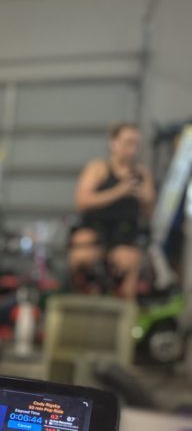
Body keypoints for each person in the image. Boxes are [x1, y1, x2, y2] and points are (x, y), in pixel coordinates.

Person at [68, 122, 155, 299]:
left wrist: (146, 198)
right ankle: (82, 302)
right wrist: (118, 191)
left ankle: (125, 315)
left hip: (124, 233)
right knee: (81, 254)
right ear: (113, 143)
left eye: (135, 144)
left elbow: (149, 211)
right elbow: (82, 201)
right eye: (127, 143)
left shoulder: (141, 173)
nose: (131, 149)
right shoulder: (98, 168)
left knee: (128, 262)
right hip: (96, 228)